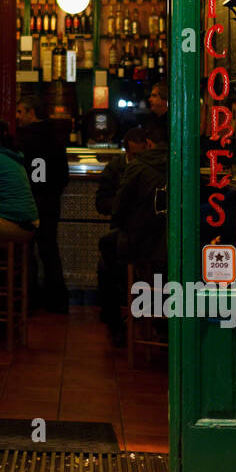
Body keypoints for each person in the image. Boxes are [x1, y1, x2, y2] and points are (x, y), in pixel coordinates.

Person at [95, 122, 168, 347]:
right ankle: (125, 319)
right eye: (135, 154)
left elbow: (117, 210)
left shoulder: (142, 167)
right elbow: (103, 203)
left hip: (140, 239)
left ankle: (126, 320)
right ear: (126, 150)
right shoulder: (117, 168)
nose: (139, 157)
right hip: (153, 239)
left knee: (110, 262)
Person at [14, 94, 69, 314]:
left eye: (20, 111)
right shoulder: (55, 137)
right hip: (49, 201)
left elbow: (22, 173)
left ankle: (29, 299)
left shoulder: (23, 139)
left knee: (26, 251)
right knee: (49, 250)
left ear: (31, 113)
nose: (17, 117)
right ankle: (57, 301)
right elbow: (63, 176)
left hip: (28, 201)